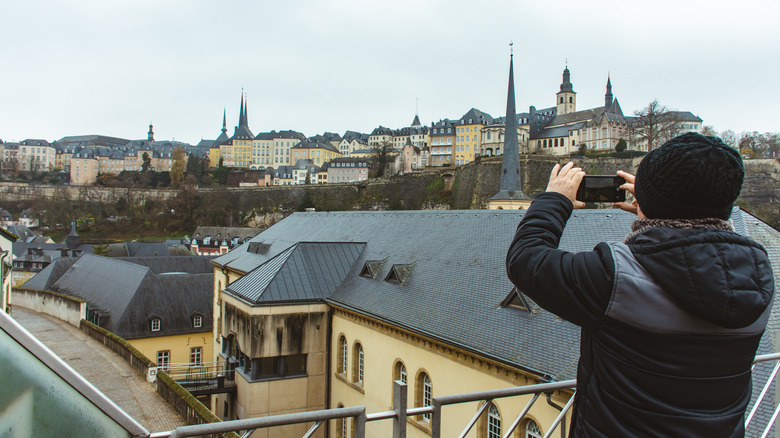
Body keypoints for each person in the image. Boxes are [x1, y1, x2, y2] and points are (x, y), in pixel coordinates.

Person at [506, 132, 774, 437]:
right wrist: (658, 212)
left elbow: (526, 260)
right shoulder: (758, 277)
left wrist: (553, 200)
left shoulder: (612, 277)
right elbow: (693, 255)